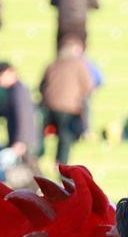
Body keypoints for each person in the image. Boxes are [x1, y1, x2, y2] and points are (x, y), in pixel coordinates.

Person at [40, 38, 94, 166]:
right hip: (69, 107)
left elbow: (41, 86)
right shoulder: (79, 65)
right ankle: (61, 166)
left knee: (46, 134)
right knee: (65, 138)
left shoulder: (52, 64)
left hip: (50, 106)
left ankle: (38, 158)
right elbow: (88, 86)